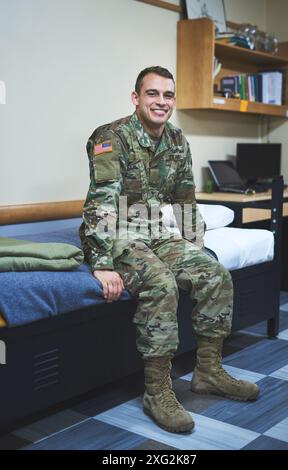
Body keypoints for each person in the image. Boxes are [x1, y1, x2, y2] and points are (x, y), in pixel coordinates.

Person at [80, 66, 259, 434]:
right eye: (152, 94)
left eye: (167, 96)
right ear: (136, 98)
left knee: (214, 273)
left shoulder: (177, 140)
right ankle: (157, 392)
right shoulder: (110, 138)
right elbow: (101, 204)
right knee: (160, 282)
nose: (161, 102)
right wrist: (100, 263)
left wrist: (196, 250)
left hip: (155, 231)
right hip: (117, 232)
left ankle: (208, 371)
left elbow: (184, 201)